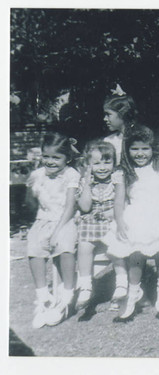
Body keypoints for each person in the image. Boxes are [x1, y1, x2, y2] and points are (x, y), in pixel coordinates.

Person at [104, 126, 159, 321]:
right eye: (134, 149)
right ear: (127, 150)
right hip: (136, 213)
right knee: (135, 249)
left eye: (144, 148)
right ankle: (133, 291)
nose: (140, 154)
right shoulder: (123, 172)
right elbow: (119, 200)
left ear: (153, 148)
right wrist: (119, 221)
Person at [25, 132, 80, 328]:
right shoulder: (37, 174)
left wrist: (57, 231)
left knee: (64, 245)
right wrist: (29, 189)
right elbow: (30, 206)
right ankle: (43, 297)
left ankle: (66, 294)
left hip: (65, 219)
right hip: (43, 219)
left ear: (68, 158)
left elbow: (70, 206)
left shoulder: (71, 175)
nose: (50, 161)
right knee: (34, 246)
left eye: (56, 157)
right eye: (46, 156)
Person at [74, 140, 128, 311]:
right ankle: (85, 285)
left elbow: (123, 204)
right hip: (92, 219)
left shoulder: (117, 179)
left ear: (114, 162)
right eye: (96, 163)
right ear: (88, 165)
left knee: (115, 243)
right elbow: (84, 207)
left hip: (112, 217)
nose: (102, 167)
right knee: (84, 245)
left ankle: (122, 281)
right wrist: (88, 184)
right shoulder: (85, 181)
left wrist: (110, 214)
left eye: (107, 161)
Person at [102, 85, 138, 163]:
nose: (105, 119)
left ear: (122, 113)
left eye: (108, 114)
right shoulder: (109, 141)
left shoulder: (139, 138)